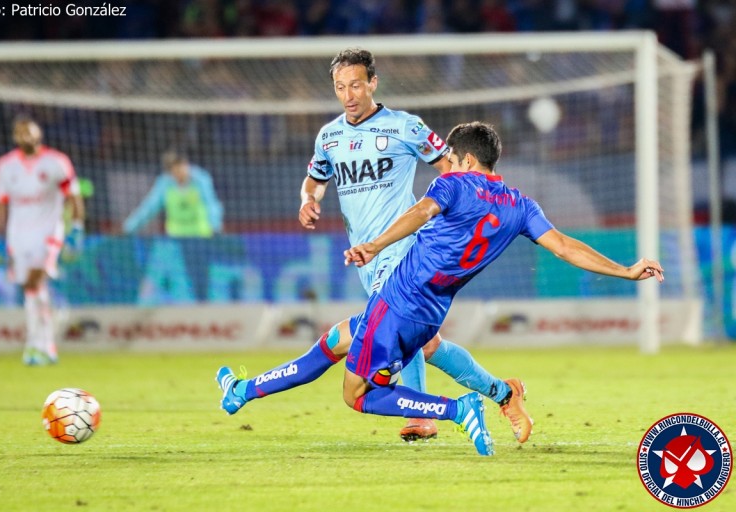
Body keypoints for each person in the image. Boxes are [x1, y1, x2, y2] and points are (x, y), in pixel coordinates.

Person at [216, 121, 665, 456]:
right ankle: (241, 392)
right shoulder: (521, 206)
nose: (446, 163)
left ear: (467, 160)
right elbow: (566, 247)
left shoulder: (453, 184)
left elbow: (422, 211)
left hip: (400, 299)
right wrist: (626, 271)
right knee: (335, 341)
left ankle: (457, 410)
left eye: (451, 157)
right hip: (431, 307)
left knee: (357, 395)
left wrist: (374, 244)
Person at [297, 47, 530, 443]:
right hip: (365, 254)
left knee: (405, 338)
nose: (349, 94)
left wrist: (454, 213)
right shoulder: (329, 136)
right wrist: (308, 200)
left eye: (356, 84)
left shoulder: (405, 127)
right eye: (340, 87)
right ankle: (504, 393)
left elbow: (450, 169)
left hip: (403, 249)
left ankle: (423, 414)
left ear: (373, 82)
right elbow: (316, 179)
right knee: (427, 343)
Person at [0, 116, 86, 366]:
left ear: (39, 133)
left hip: (49, 232)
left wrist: (76, 228)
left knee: (34, 281)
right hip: (18, 234)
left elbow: (74, 197)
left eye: (29, 132)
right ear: (15, 137)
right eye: (20, 134)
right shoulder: (5, 166)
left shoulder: (56, 162)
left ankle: (36, 344)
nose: (25, 137)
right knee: (30, 289)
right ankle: (44, 345)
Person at [122, 150, 223, 237]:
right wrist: (128, 228)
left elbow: (212, 204)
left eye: (181, 166)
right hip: (176, 238)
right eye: (175, 170)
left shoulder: (201, 180)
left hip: (201, 236)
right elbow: (149, 208)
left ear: (186, 163)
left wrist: (215, 227)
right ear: (170, 171)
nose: (180, 172)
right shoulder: (164, 184)